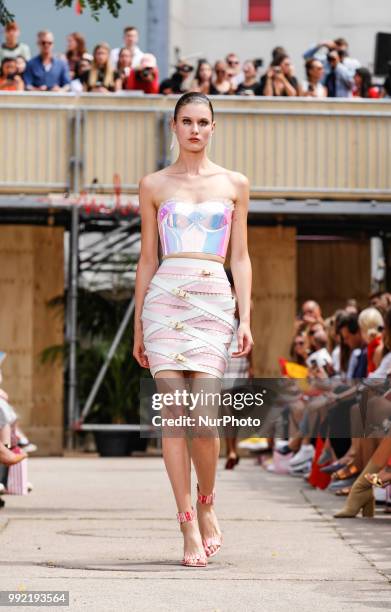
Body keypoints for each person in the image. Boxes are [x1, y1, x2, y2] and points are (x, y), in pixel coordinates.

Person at [133, 91, 253, 567]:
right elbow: (146, 259)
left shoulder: (235, 183)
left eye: (203, 121)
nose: (195, 130)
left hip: (213, 301)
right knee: (175, 421)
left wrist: (247, 316)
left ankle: (207, 503)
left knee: (205, 422)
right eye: (187, 121)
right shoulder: (153, 185)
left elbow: (240, 258)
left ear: (214, 127)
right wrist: (140, 326)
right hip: (164, 302)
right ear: (174, 126)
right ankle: (186, 523)